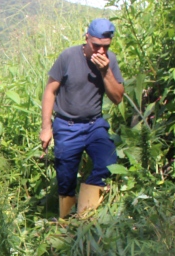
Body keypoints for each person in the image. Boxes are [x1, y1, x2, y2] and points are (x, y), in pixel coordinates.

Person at [40, 18, 126, 218]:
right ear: (87, 38)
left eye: (105, 47)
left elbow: (117, 98)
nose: (101, 52)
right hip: (67, 125)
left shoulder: (110, 60)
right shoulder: (68, 57)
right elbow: (50, 91)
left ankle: (85, 217)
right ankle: (66, 221)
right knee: (66, 177)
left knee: (108, 161)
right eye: (96, 46)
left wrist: (105, 72)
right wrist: (46, 127)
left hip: (94, 124)